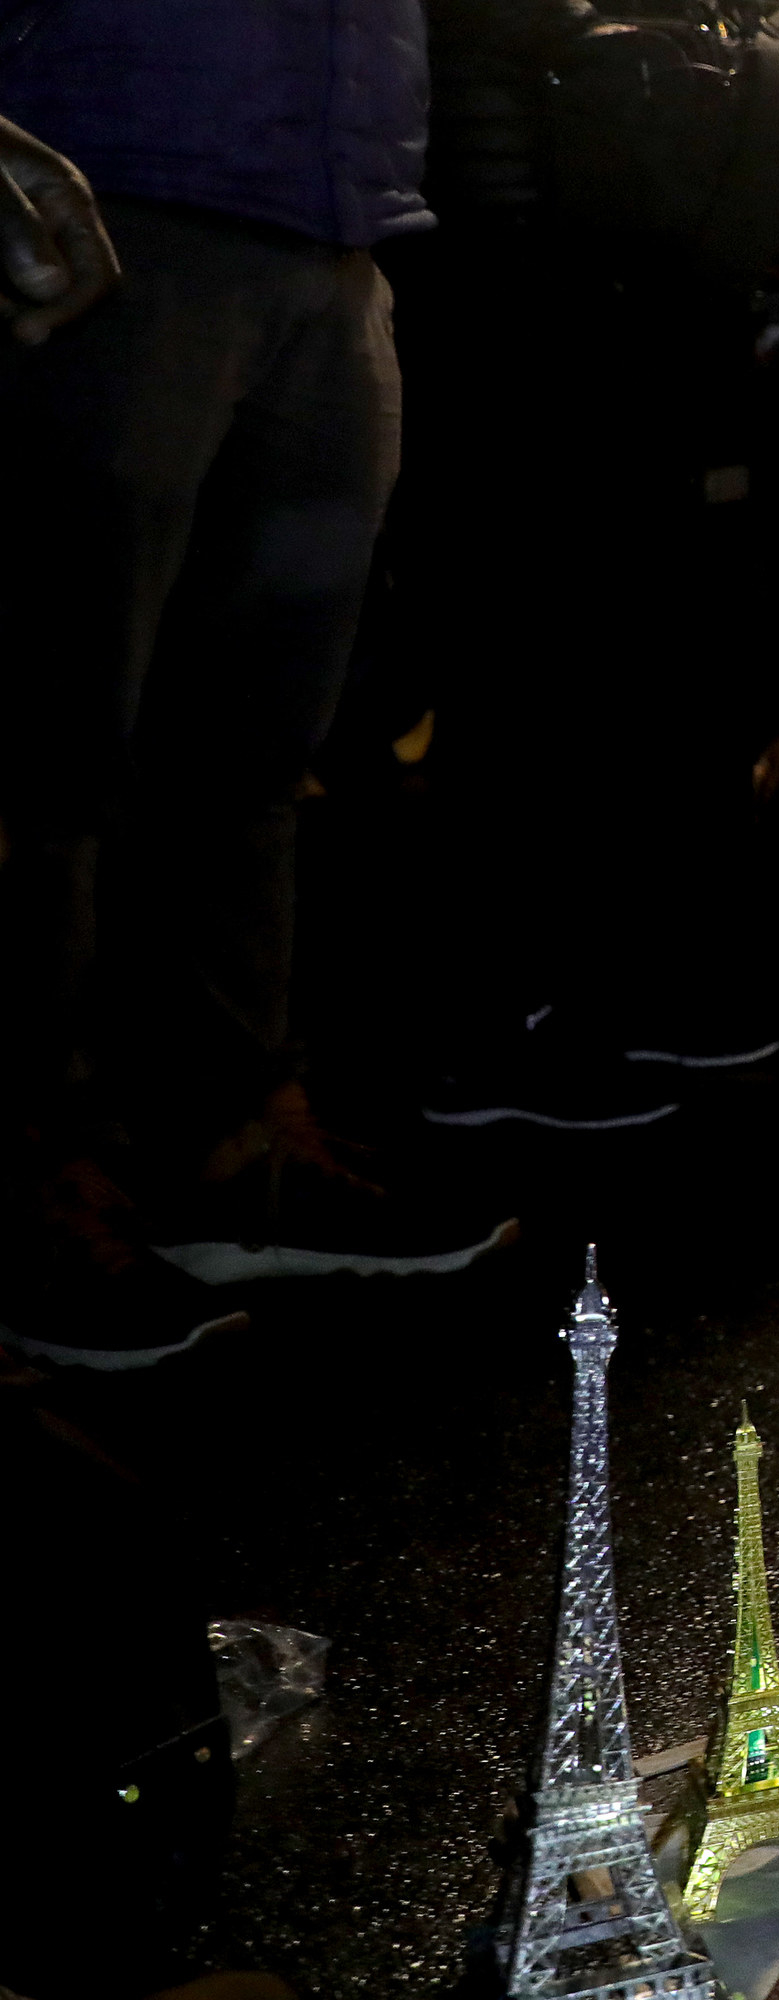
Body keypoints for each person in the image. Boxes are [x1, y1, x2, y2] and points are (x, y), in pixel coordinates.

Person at [2, 3, 518, 1375]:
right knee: (54, 738)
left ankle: (223, 1140)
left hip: (332, 219)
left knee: (255, 739)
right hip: (108, 187)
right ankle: (34, 1182)